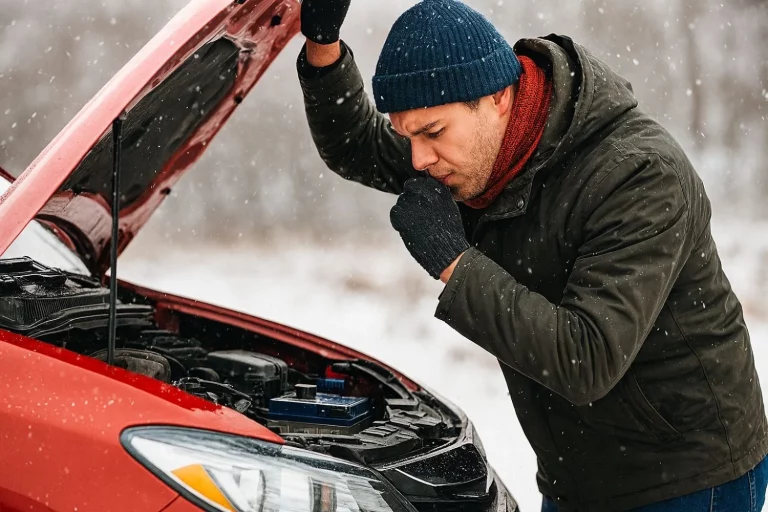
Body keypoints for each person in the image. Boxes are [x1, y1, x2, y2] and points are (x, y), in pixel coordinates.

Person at [295, 0, 768, 510]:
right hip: (576, 473)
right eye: (408, 135)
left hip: (687, 476)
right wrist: (323, 44)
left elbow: (586, 358)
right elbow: (354, 144)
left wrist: (454, 261)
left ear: (498, 97)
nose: (419, 159)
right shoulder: (473, 153)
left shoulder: (639, 176)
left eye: (432, 133)